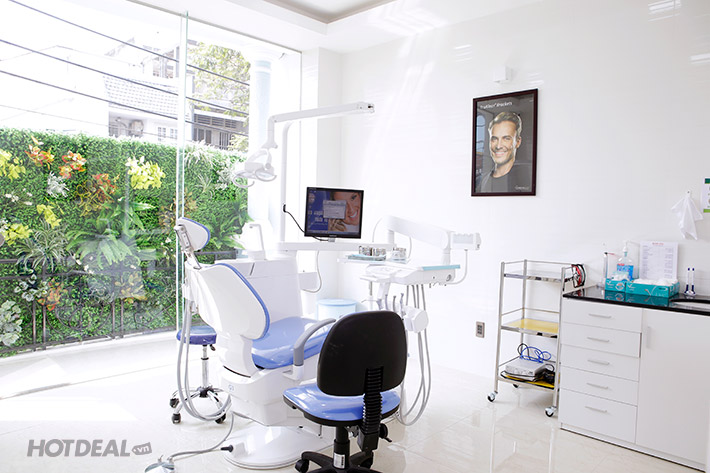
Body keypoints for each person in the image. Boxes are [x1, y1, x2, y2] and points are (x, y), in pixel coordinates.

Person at [476, 111, 531, 193]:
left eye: (506, 138)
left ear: (518, 142)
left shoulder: (526, 178)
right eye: (494, 139)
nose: (498, 146)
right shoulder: (481, 181)